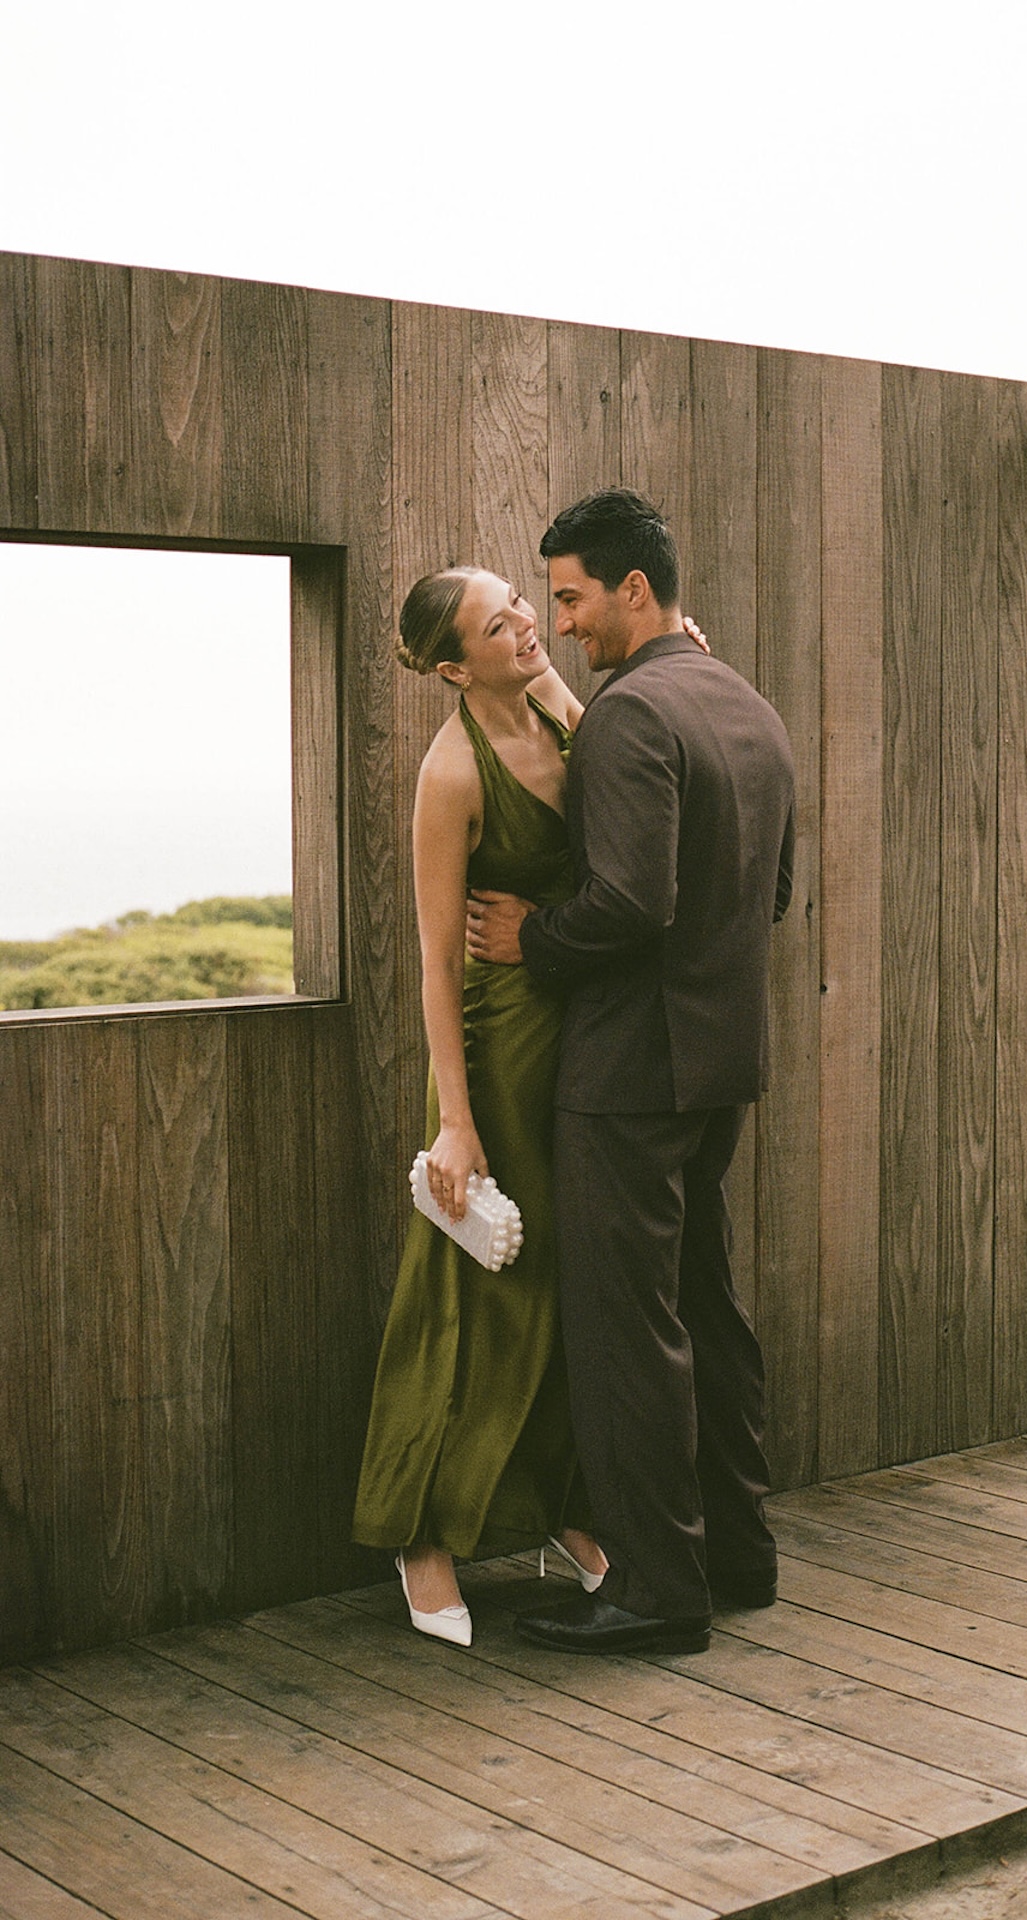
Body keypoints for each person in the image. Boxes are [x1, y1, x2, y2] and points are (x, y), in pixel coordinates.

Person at [466, 488, 797, 1656]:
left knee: (625, 1333)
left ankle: (656, 1593)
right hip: (719, 1065)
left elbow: (627, 905)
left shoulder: (626, 718)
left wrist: (527, 940)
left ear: (633, 589)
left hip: (625, 1074)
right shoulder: (744, 704)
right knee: (705, 1308)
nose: (560, 626)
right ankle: (736, 1558)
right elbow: (770, 897)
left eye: (569, 598)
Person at [351, 566, 608, 1646]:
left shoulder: (565, 710)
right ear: (453, 665)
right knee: (465, 1284)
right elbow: (433, 968)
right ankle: (423, 1539)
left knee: (561, 1274)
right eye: (496, 627)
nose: (524, 629)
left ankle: (561, 1512)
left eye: (521, 608)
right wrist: (453, 1123)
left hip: (578, 1035)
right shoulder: (450, 774)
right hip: (494, 1048)